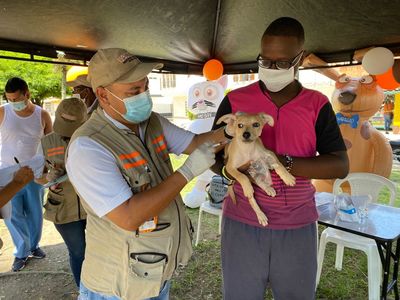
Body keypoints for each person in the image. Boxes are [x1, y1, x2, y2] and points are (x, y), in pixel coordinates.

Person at [65, 48, 227, 299]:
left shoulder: (152, 123)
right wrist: (186, 172)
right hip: (117, 287)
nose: (144, 96)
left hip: (154, 272)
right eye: (133, 92)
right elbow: (129, 217)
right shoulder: (88, 147)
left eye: (145, 86)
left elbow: (196, 143)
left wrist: (234, 130)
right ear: (103, 95)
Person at [211, 17, 349, 300]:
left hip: (297, 225)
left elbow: (339, 164)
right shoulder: (235, 102)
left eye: (282, 63)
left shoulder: (317, 104)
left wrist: (279, 163)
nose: (272, 69)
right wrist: (233, 173)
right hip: (243, 222)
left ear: (300, 59)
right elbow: (212, 154)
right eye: (266, 60)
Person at [0, 77, 53, 271]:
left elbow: (50, 145)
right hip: (7, 175)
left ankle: (34, 245)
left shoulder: (43, 115)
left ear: (27, 94)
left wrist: (49, 170)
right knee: (12, 215)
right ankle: (21, 252)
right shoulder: (2, 112)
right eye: (10, 99)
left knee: (35, 213)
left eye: (17, 99)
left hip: (34, 174)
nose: (13, 103)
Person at [38, 97, 87, 287]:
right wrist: (49, 178)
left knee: (99, 251)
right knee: (78, 252)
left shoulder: (93, 138)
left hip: (94, 206)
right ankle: (83, 292)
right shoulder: (46, 142)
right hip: (63, 209)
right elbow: (37, 176)